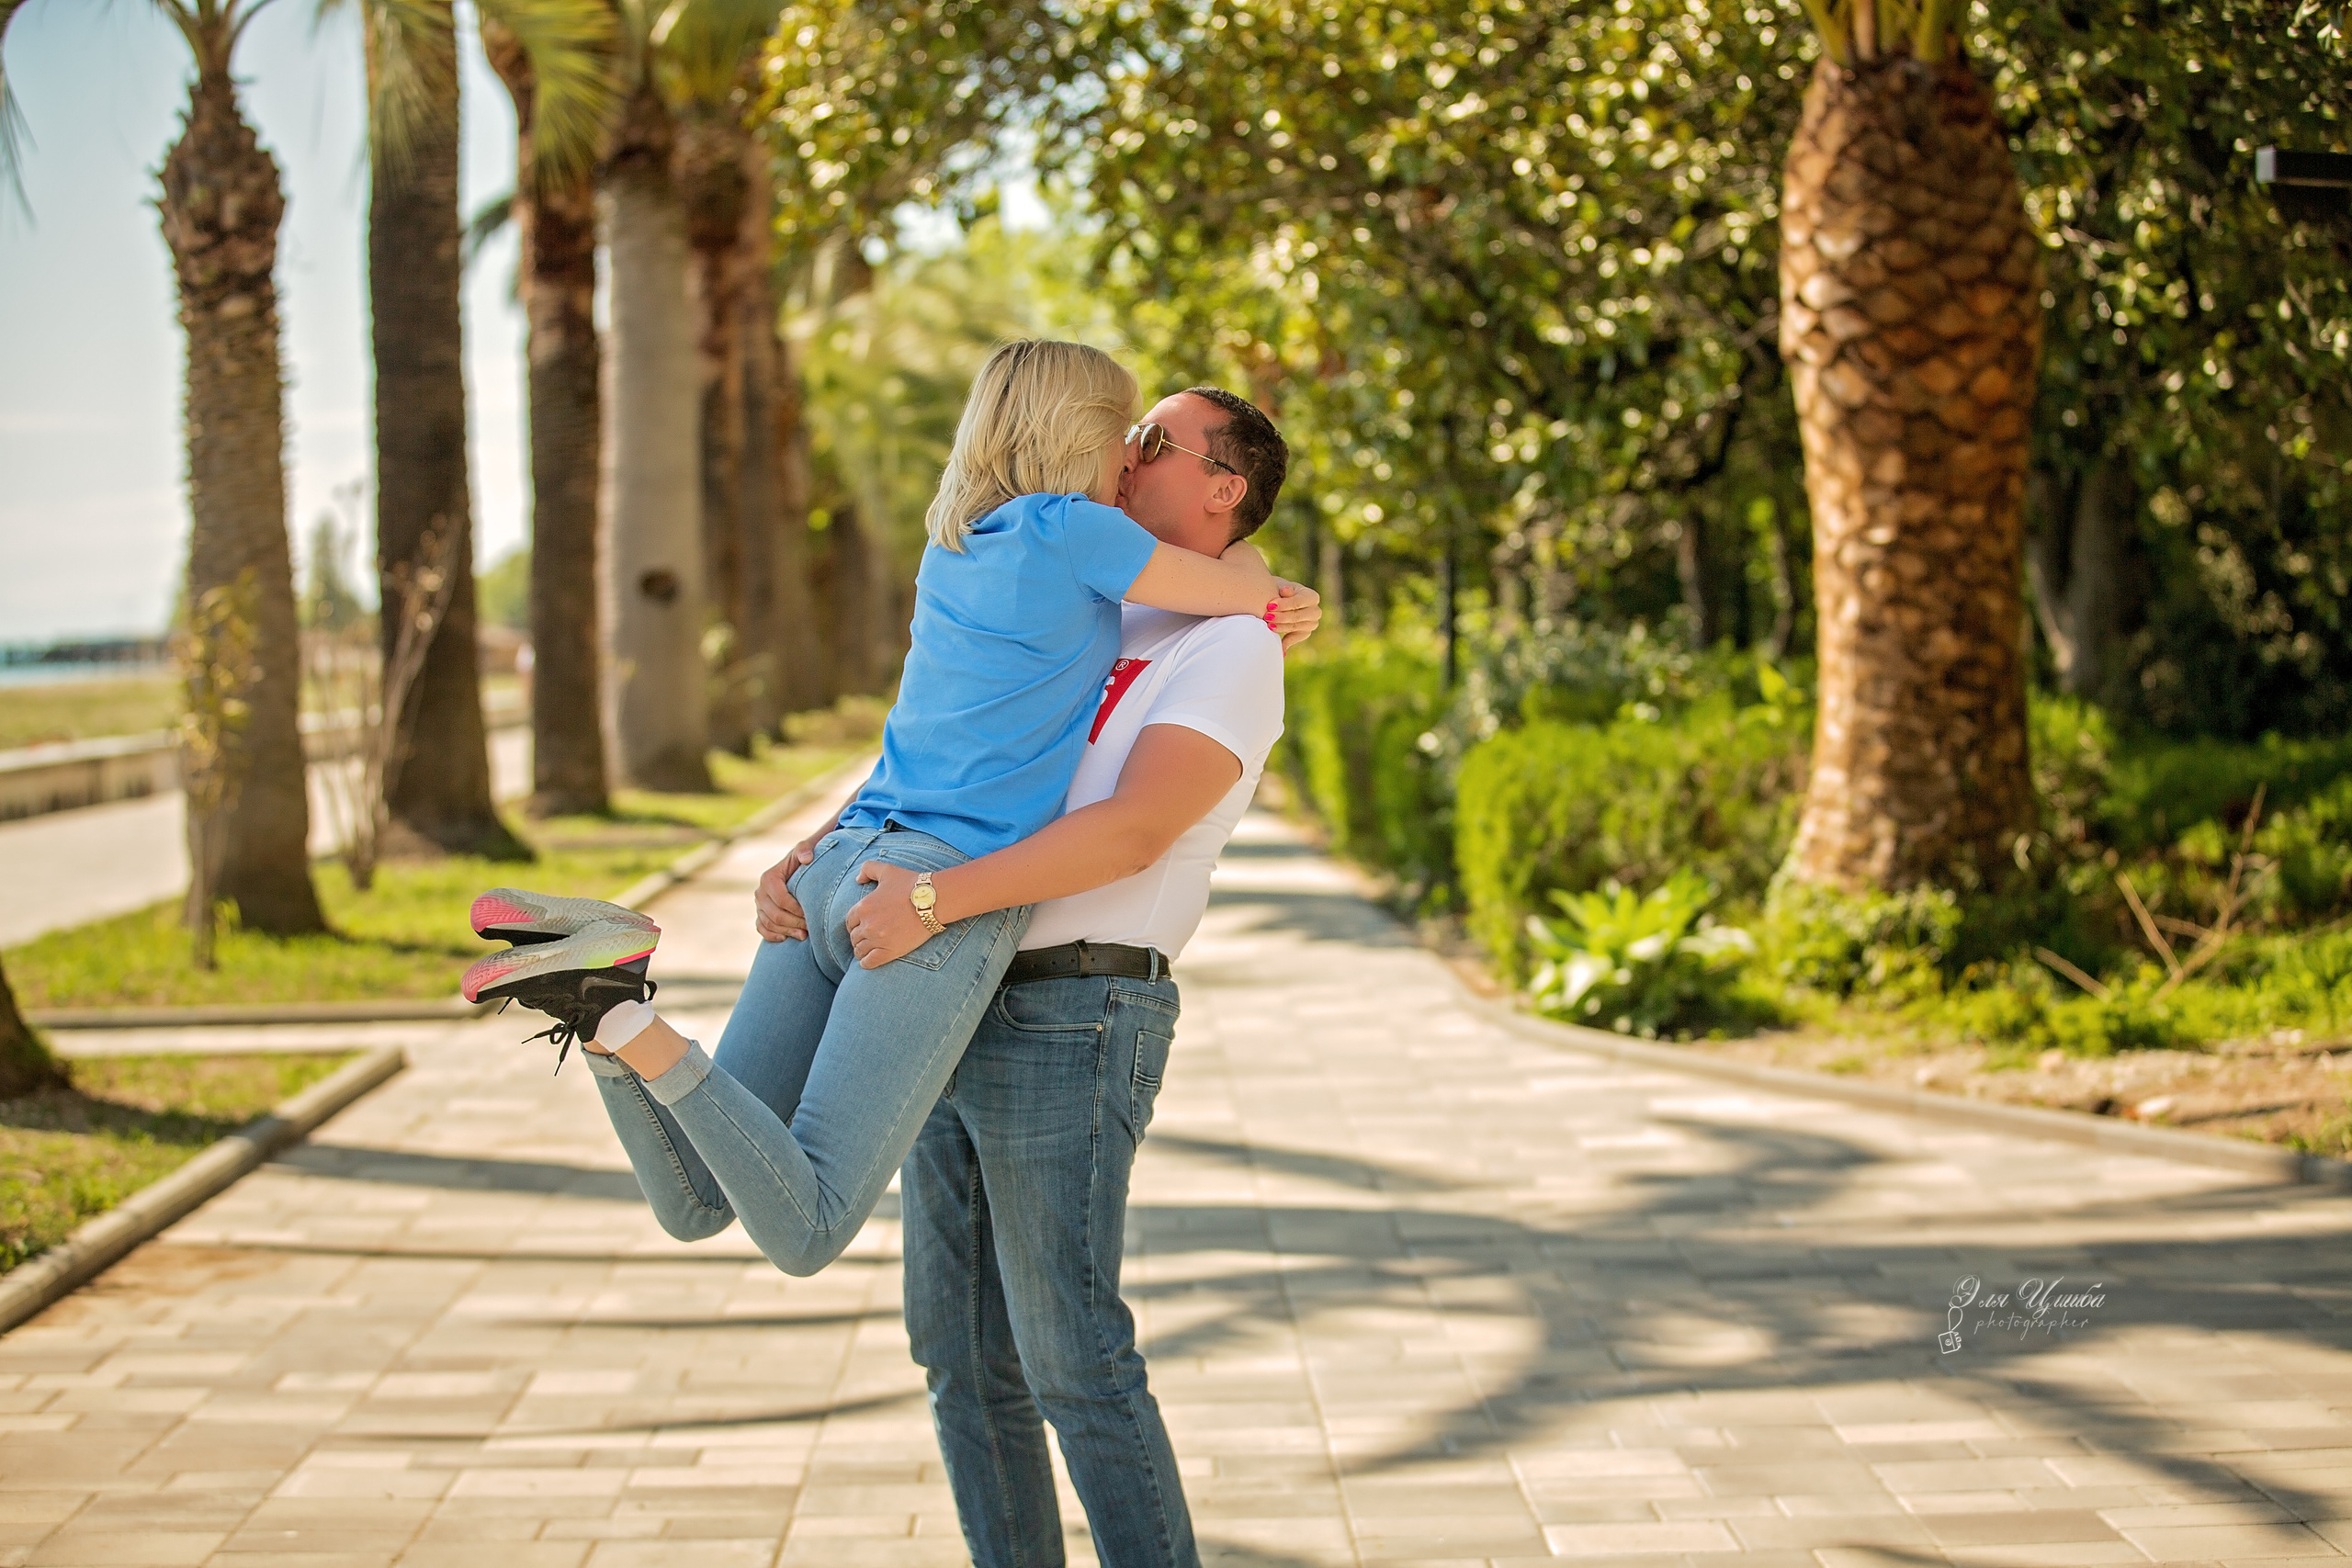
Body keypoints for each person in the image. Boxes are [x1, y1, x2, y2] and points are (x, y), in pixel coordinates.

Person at [458, 341, 1317, 1281]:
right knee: (811, 1225)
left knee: (699, 1198)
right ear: (1081, 433)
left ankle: (602, 998)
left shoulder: (955, 541)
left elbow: (930, 720)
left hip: (842, 857)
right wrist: (1280, 590)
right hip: (932, 885)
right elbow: (1247, 588)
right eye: (1130, 433)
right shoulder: (1079, 534)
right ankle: (621, 1017)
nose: (1133, 454)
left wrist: (809, 846)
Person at [756, 385, 1294, 1568]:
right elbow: (945, 756)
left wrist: (938, 898)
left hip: (1076, 1009)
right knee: (957, 1354)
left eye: (1153, 438)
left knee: (1073, 1360)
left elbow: (1132, 834)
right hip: (954, 981)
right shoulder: (1095, 597)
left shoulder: (1233, 647)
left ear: (1224, 491)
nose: (1123, 448)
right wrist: (815, 853)